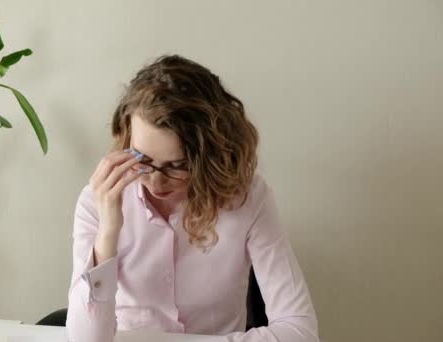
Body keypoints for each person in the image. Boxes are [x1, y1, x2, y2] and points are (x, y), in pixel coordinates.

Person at [66, 55, 319, 342]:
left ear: (209, 156)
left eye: (177, 165)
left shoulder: (248, 198)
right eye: (142, 159)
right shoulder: (99, 200)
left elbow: (300, 331)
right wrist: (108, 232)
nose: (156, 180)